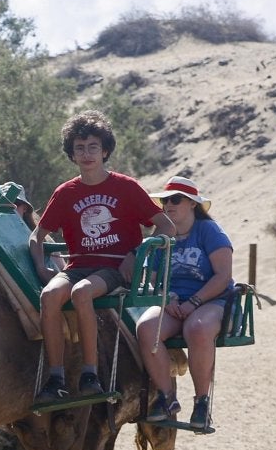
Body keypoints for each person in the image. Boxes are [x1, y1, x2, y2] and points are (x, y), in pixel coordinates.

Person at [29, 110, 174, 405]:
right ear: (72, 153)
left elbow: (166, 226)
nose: (86, 154)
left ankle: (90, 374)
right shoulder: (65, 192)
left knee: (82, 293)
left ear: (105, 150)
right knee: (49, 296)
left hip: (112, 268)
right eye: (79, 148)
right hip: (77, 265)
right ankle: (55, 377)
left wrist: (137, 254)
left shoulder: (126, 187)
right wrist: (41, 267)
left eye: (93, 147)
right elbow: (37, 235)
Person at [135, 176, 234, 432]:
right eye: (165, 200)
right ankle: (166, 397)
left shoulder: (208, 231)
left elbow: (223, 276)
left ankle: (201, 402)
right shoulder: (160, 237)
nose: (168, 204)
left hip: (210, 299)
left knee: (197, 329)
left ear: (192, 204)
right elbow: (152, 279)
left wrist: (194, 301)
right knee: (146, 329)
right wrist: (165, 297)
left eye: (175, 199)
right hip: (172, 302)